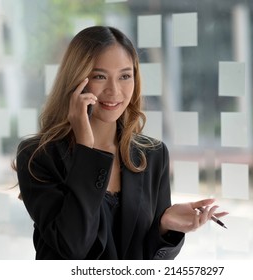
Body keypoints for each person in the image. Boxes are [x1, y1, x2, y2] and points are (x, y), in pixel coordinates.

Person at [14, 26, 228, 260]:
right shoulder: (38, 156)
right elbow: (71, 247)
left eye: (125, 76)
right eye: (99, 76)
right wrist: (86, 148)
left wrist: (164, 228)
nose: (114, 91)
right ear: (76, 81)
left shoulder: (153, 155)